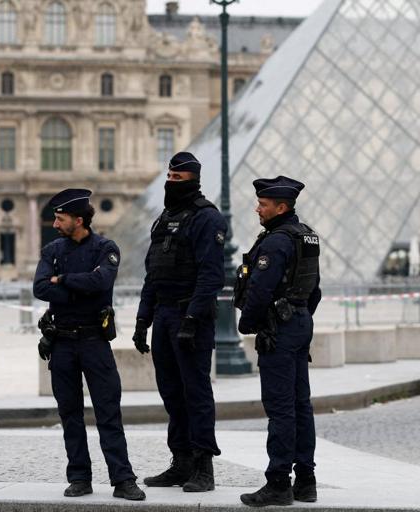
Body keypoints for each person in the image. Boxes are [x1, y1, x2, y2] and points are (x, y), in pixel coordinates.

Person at [33, 188, 145, 501]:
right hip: (63, 342)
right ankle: (79, 477)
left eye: (60, 218)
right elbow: (40, 287)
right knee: (69, 414)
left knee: (109, 413)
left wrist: (63, 280)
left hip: (95, 340)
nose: (55, 224)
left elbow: (102, 283)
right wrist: (78, 285)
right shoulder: (53, 250)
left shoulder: (105, 247)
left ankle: (123, 479)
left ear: (78, 220)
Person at [133, 152, 226, 492]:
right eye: (168, 178)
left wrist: (191, 318)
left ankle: (203, 466)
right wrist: (143, 320)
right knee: (171, 393)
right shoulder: (163, 219)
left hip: (191, 317)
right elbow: (152, 274)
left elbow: (211, 276)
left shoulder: (207, 218)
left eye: (177, 180)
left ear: (193, 181)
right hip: (164, 315)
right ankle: (181, 460)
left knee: (196, 392)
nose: (170, 184)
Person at [235, 176, 322, 507]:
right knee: (302, 405)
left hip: (279, 330)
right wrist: (299, 314)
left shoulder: (275, 242)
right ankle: (306, 482)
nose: (258, 208)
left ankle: (278, 484)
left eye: (264, 204)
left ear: (281, 207)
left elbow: (259, 290)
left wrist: (250, 323)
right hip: (300, 322)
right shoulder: (307, 236)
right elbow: (315, 289)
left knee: (281, 408)